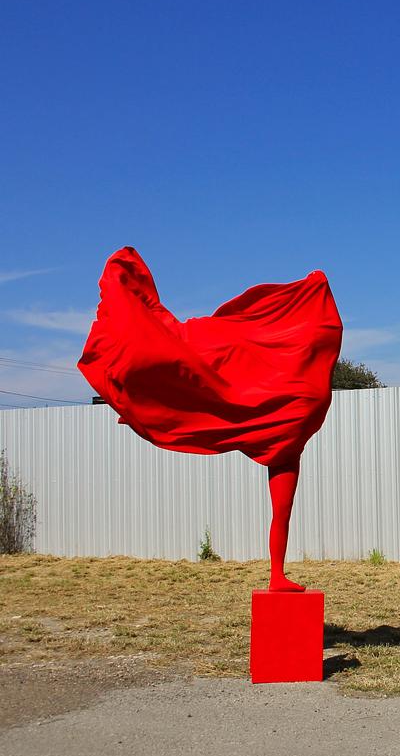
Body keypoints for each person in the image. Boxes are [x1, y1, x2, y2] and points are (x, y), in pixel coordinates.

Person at [78, 247, 343, 591]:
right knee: (282, 507)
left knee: (282, 506)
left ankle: (278, 575)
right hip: (287, 433)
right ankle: (277, 573)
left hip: (286, 432)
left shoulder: (291, 381)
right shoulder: (292, 381)